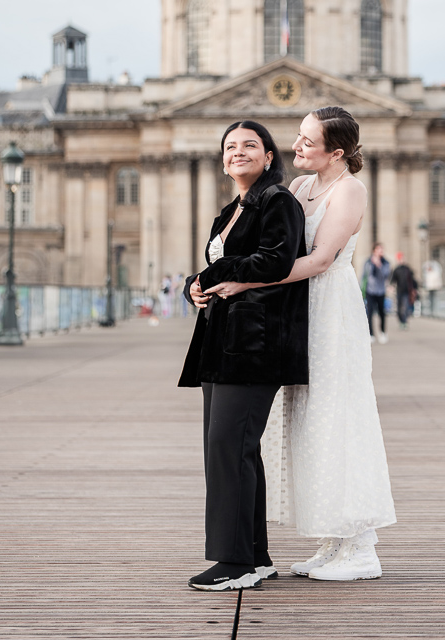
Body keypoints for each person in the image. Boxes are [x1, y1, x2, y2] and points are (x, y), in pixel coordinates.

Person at [206, 107, 396, 582]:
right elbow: (276, 249)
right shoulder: (298, 188)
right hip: (296, 312)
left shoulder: (350, 189)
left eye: (308, 141)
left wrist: (241, 283)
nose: (297, 147)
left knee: (339, 416)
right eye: (297, 137)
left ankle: (360, 545)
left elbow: (318, 260)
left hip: (330, 311)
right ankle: (333, 541)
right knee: (308, 421)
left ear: (337, 151)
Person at [179, 121, 308, 592]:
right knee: (236, 450)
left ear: (270, 156)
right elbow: (225, 266)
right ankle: (255, 555)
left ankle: (232, 563)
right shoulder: (231, 210)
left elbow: (277, 260)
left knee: (227, 448)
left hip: (256, 342)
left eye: (250, 145)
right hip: (223, 340)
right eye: (231, 146)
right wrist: (197, 284)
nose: (239, 152)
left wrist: (219, 271)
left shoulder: (278, 201)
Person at [361, 243, 391, 344]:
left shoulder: (385, 263)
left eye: (382, 250)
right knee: (369, 313)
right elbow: (364, 276)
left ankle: (382, 332)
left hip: (381, 291)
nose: (381, 252)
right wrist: (361, 289)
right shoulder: (368, 262)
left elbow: (385, 276)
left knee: (382, 313)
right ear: (374, 251)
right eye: (379, 250)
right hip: (370, 290)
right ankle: (371, 334)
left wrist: (379, 265)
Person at [391, 252, 418, 329]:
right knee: (399, 308)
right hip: (399, 291)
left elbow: (413, 280)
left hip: (407, 291)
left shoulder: (408, 269)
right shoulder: (396, 269)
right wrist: (391, 287)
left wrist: (415, 289)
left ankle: (405, 321)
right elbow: (393, 280)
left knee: (405, 306)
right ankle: (401, 321)